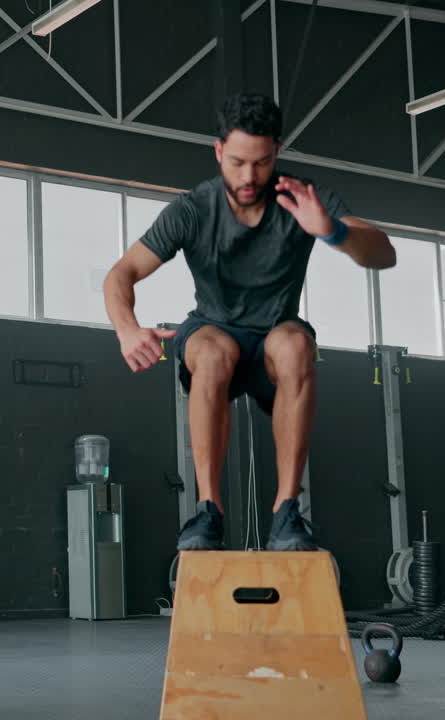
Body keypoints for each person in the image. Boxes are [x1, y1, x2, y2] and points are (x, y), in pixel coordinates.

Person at [103, 92, 396, 552]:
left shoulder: (302, 198)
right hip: (215, 331)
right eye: (237, 162)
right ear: (219, 151)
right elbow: (121, 274)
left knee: (297, 346)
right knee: (212, 353)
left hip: (276, 335)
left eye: (260, 163)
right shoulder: (193, 209)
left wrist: (334, 232)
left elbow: (384, 254)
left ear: (276, 152)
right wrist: (127, 328)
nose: (248, 176)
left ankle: (285, 512)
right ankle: (208, 511)